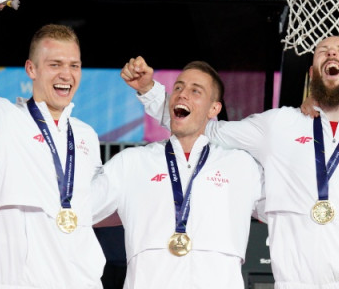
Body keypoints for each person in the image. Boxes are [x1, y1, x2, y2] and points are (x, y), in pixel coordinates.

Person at [130, 36, 339, 288]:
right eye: (323, 51)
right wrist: (149, 91)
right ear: (313, 71)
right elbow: (200, 126)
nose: (331, 54)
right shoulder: (278, 124)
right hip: (294, 282)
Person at [0, 0, 105, 288]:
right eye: (55, 64)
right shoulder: (1, 118)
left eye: (74, 65)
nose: (67, 74)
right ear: (31, 69)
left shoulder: (86, 135)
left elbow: (96, 204)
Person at [91, 60, 266, 288]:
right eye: (178, 88)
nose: (183, 94)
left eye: (195, 91)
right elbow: (74, 211)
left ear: (214, 109)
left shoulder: (242, 166)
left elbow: (292, 211)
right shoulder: (133, 162)